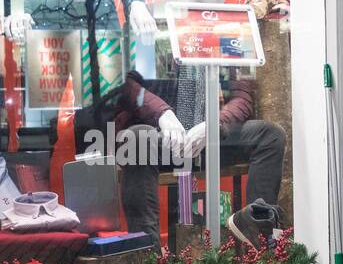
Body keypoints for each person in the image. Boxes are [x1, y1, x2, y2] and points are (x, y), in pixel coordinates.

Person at [113, 69, 286, 250]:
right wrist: (162, 113)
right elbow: (128, 86)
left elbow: (241, 98)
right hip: (162, 136)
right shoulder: (154, 46)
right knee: (137, 139)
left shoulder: (225, 43)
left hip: (210, 138)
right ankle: (147, 251)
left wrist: (214, 123)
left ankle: (258, 227)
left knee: (271, 135)